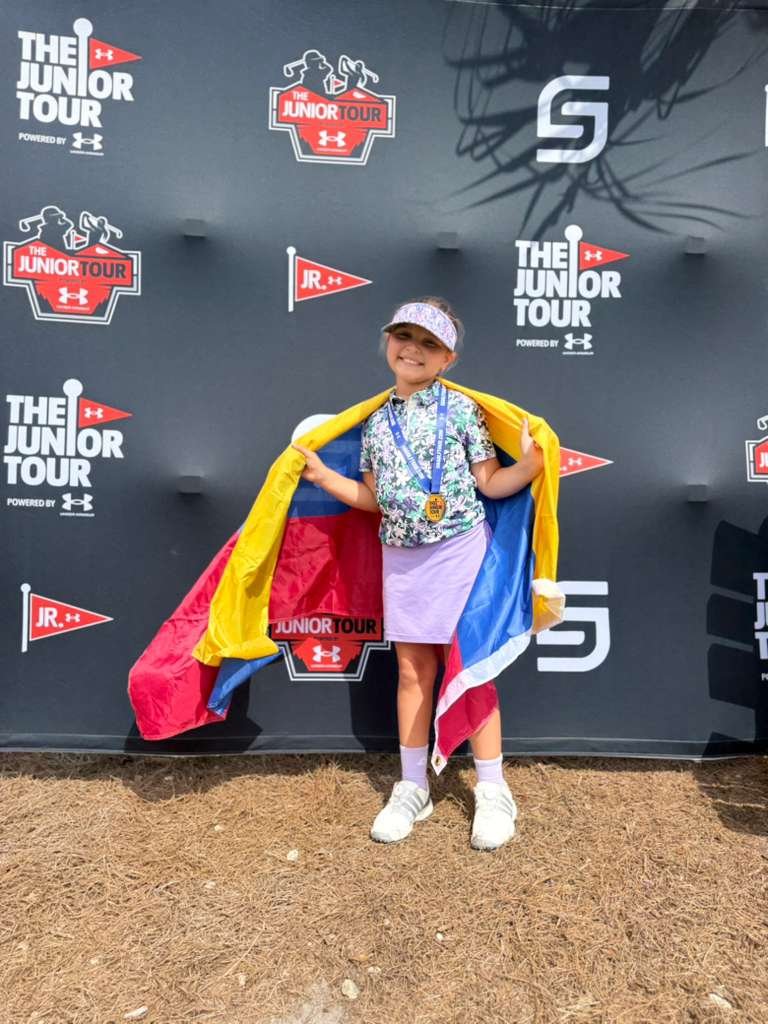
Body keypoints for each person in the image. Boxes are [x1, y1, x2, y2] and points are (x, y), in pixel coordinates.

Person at [293, 298, 545, 851]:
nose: (413, 349)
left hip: (460, 550)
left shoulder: (461, 412)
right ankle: (413, 786)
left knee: (470, 667)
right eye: (404, 336)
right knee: (412, 672)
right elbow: (373, 498)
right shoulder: (375, 420)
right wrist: (323, 478)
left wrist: (528, 466)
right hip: (402, 555)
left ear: (448, 359)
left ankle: (493, 789)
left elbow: (490, 482)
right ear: (387, 342)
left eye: (429, 343)